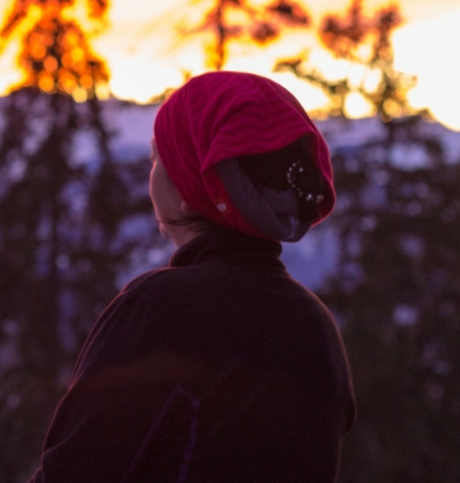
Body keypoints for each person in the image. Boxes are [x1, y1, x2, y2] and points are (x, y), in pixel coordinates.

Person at [28, 72, 356, 483]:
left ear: (188, 186)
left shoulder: (161, 309)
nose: (150, 174)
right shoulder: (315, 326)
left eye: (156, 159)